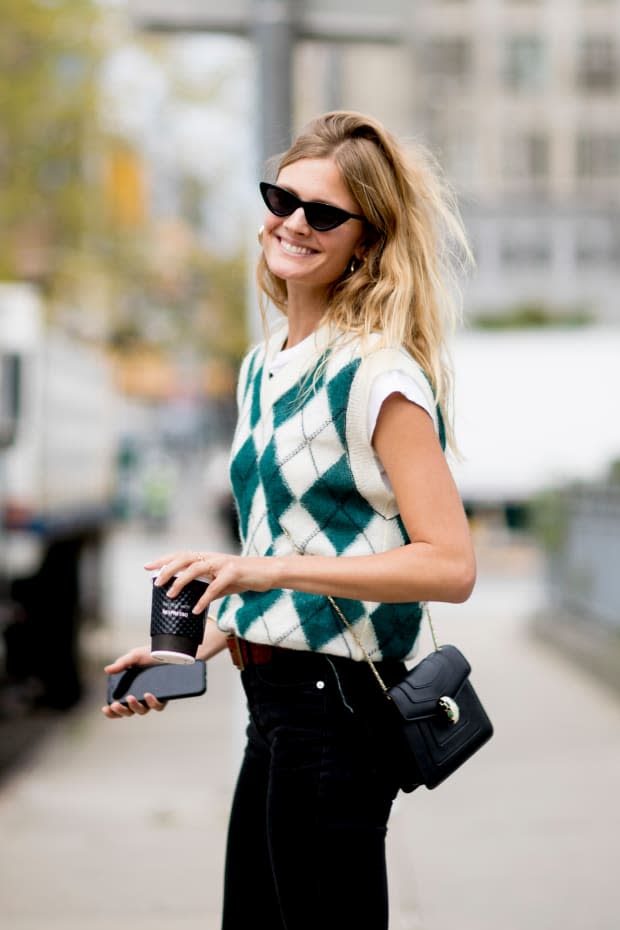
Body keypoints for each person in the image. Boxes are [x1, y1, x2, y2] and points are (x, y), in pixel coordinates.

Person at [102, 110, 476, 930]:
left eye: (325, 213)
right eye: (284, 197)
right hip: (271, 701)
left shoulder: (381, 375)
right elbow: (282, 549)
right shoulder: (262, 368)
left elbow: (450, 564)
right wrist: (187, 649)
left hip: (338, 711)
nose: (294, 222)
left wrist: (268, 570)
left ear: (365, 242)